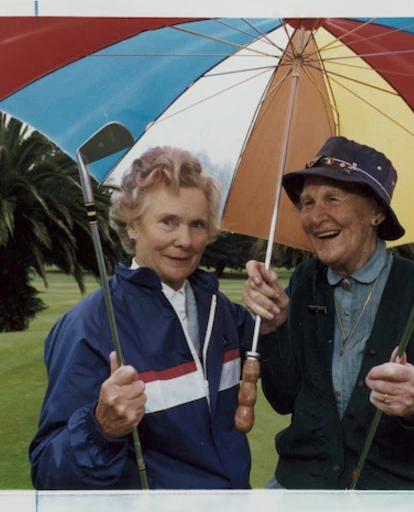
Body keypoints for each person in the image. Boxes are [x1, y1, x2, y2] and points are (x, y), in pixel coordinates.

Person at [242, 136, 414, 490]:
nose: (315, 217)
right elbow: (284, 399)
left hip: (391, 494)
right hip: (302, 488)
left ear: (377, 211)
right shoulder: (303, 281)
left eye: (332, 199)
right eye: (307, 202)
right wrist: (274, 328)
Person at [30, 146, 254, 490]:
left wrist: (275, 318)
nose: (185, 240)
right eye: (168, 222)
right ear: (132, 225)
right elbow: (48, 473)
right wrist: (99, 429)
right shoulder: (88, 326)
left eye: (197, 224)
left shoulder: (221, 311)